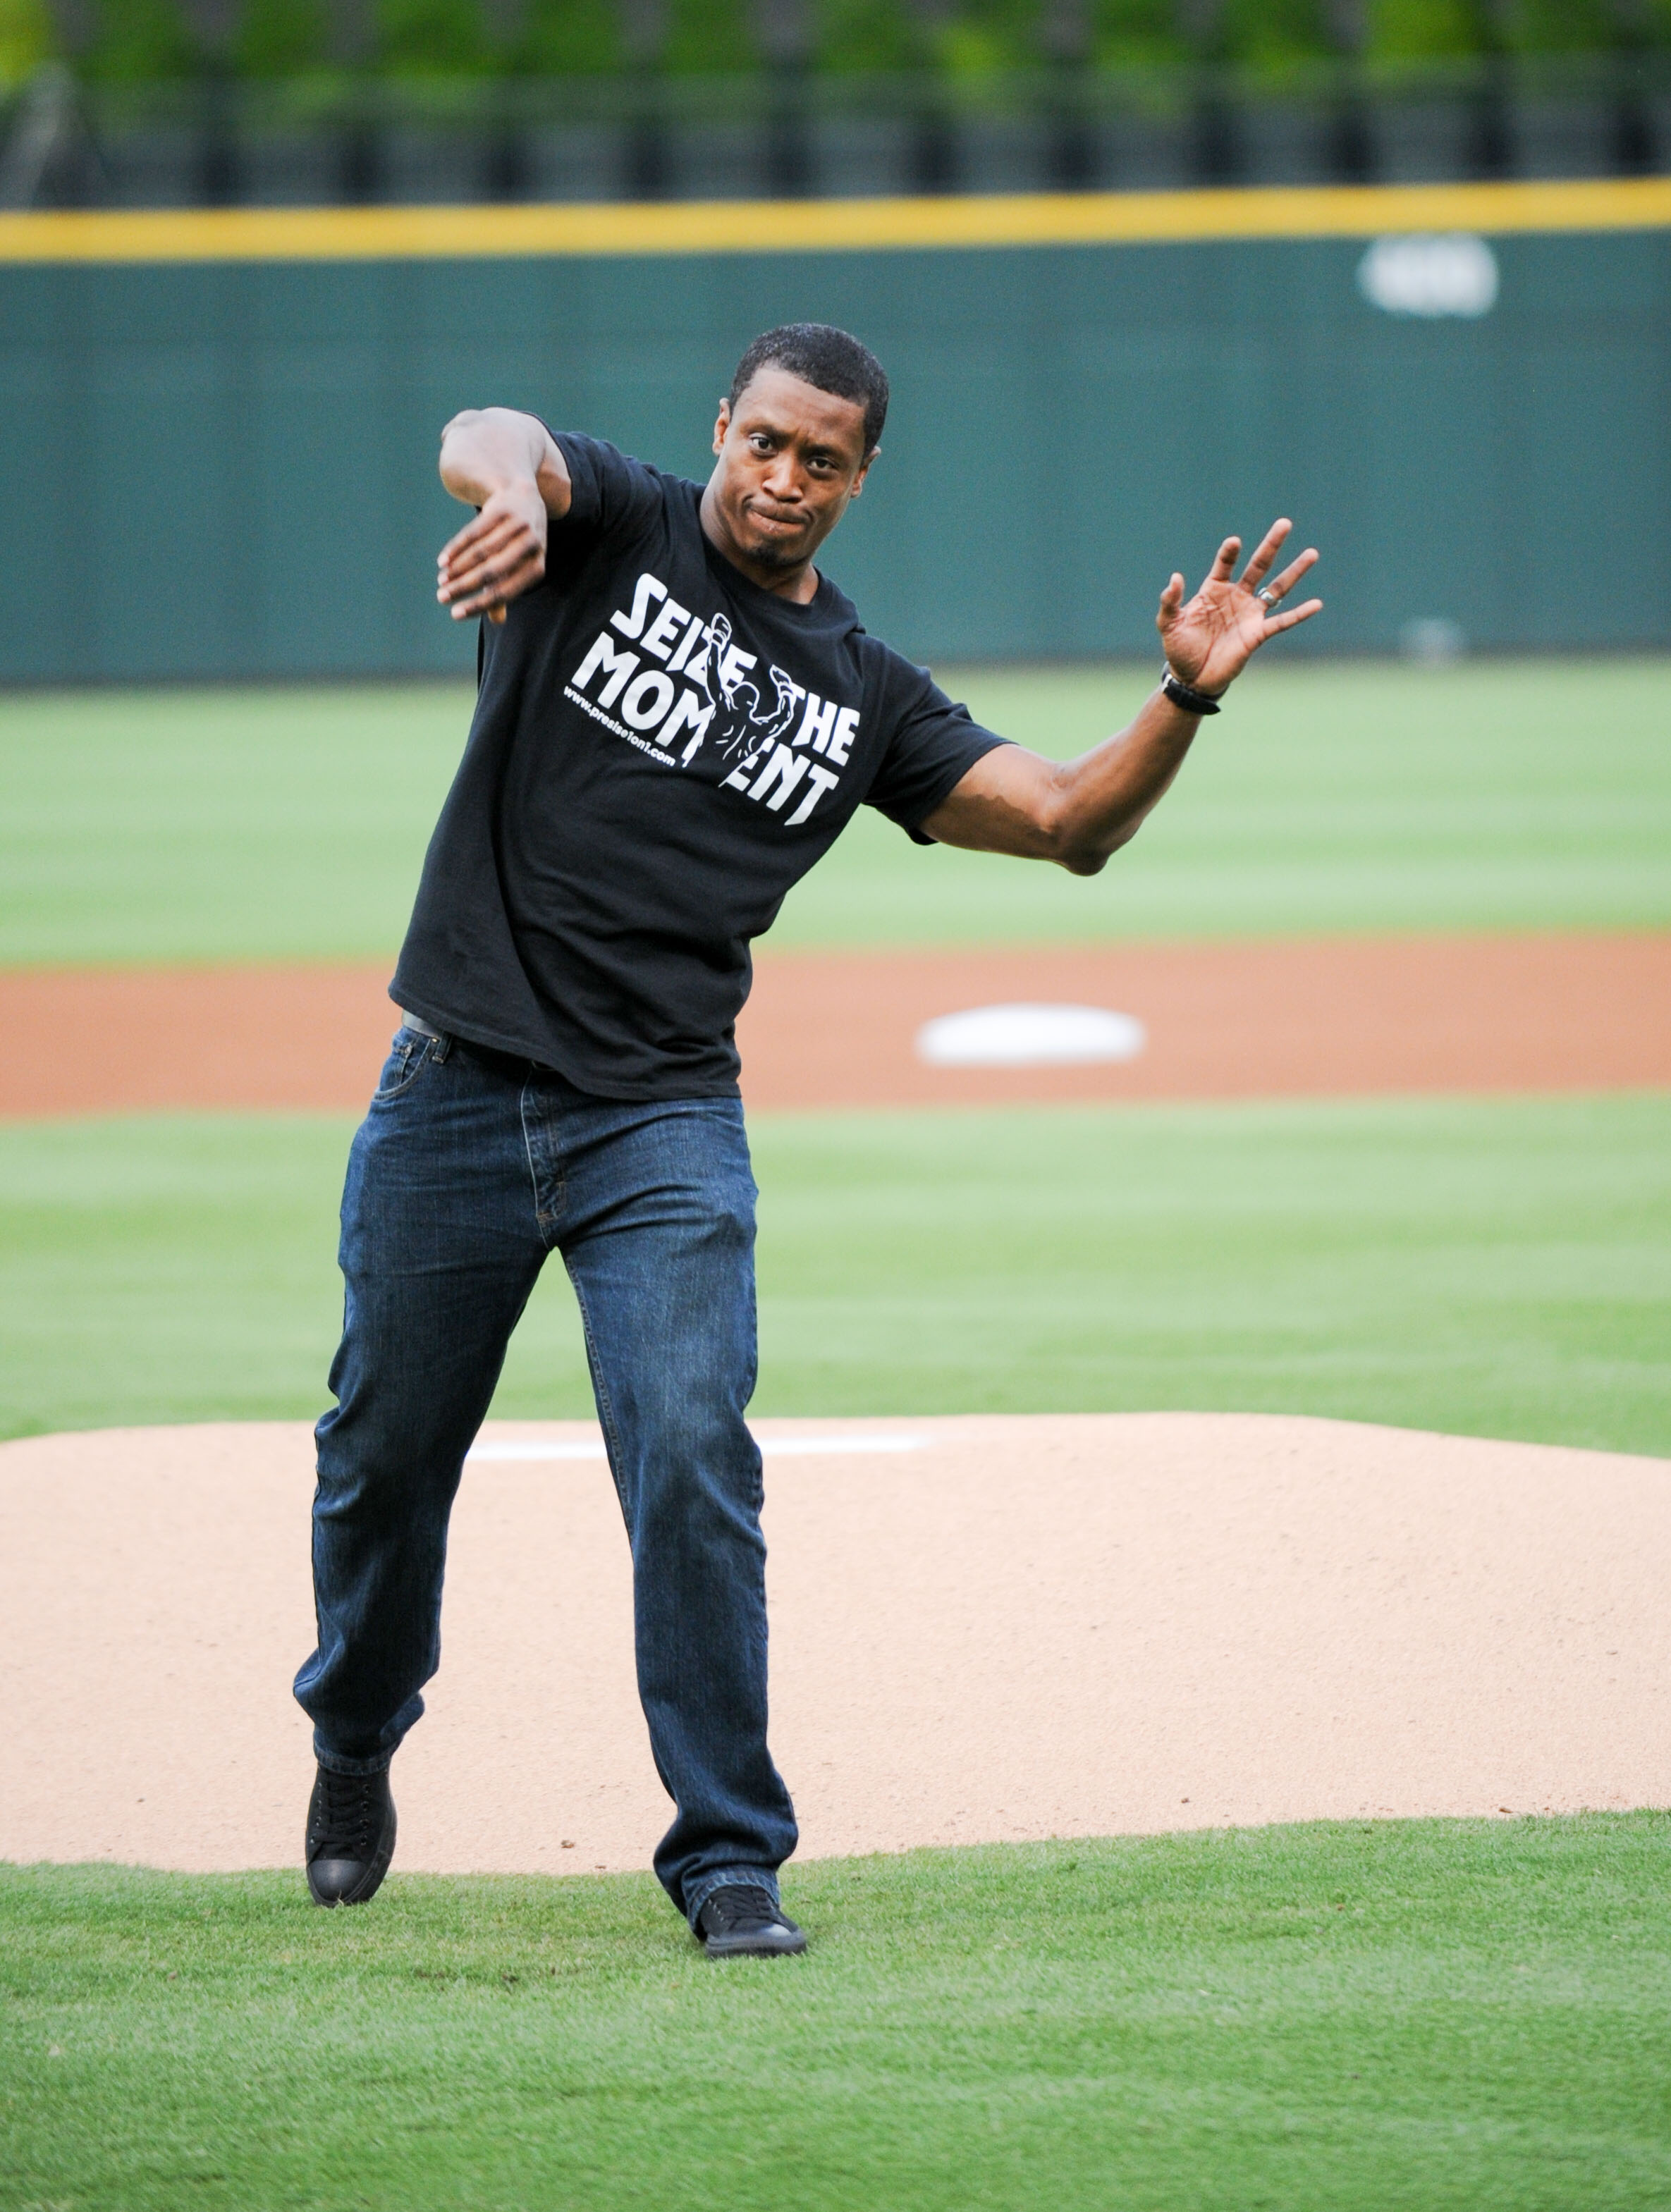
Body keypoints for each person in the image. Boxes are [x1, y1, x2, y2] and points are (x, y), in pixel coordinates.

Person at [293, 321, 1320, 1956]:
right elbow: (493, 423)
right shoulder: (610, 520)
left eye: (819, 458)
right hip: (456, 1096)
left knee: (693, 1453)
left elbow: (1064, 822)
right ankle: (355, 1732)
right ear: (722, 430)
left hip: (662, 1121)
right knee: (383, 1458)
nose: (782, 477)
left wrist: (1183, 694)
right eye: (762, 441)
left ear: (858, 479)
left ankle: (727, 1855)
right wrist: (504, 497)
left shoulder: (860, 691)